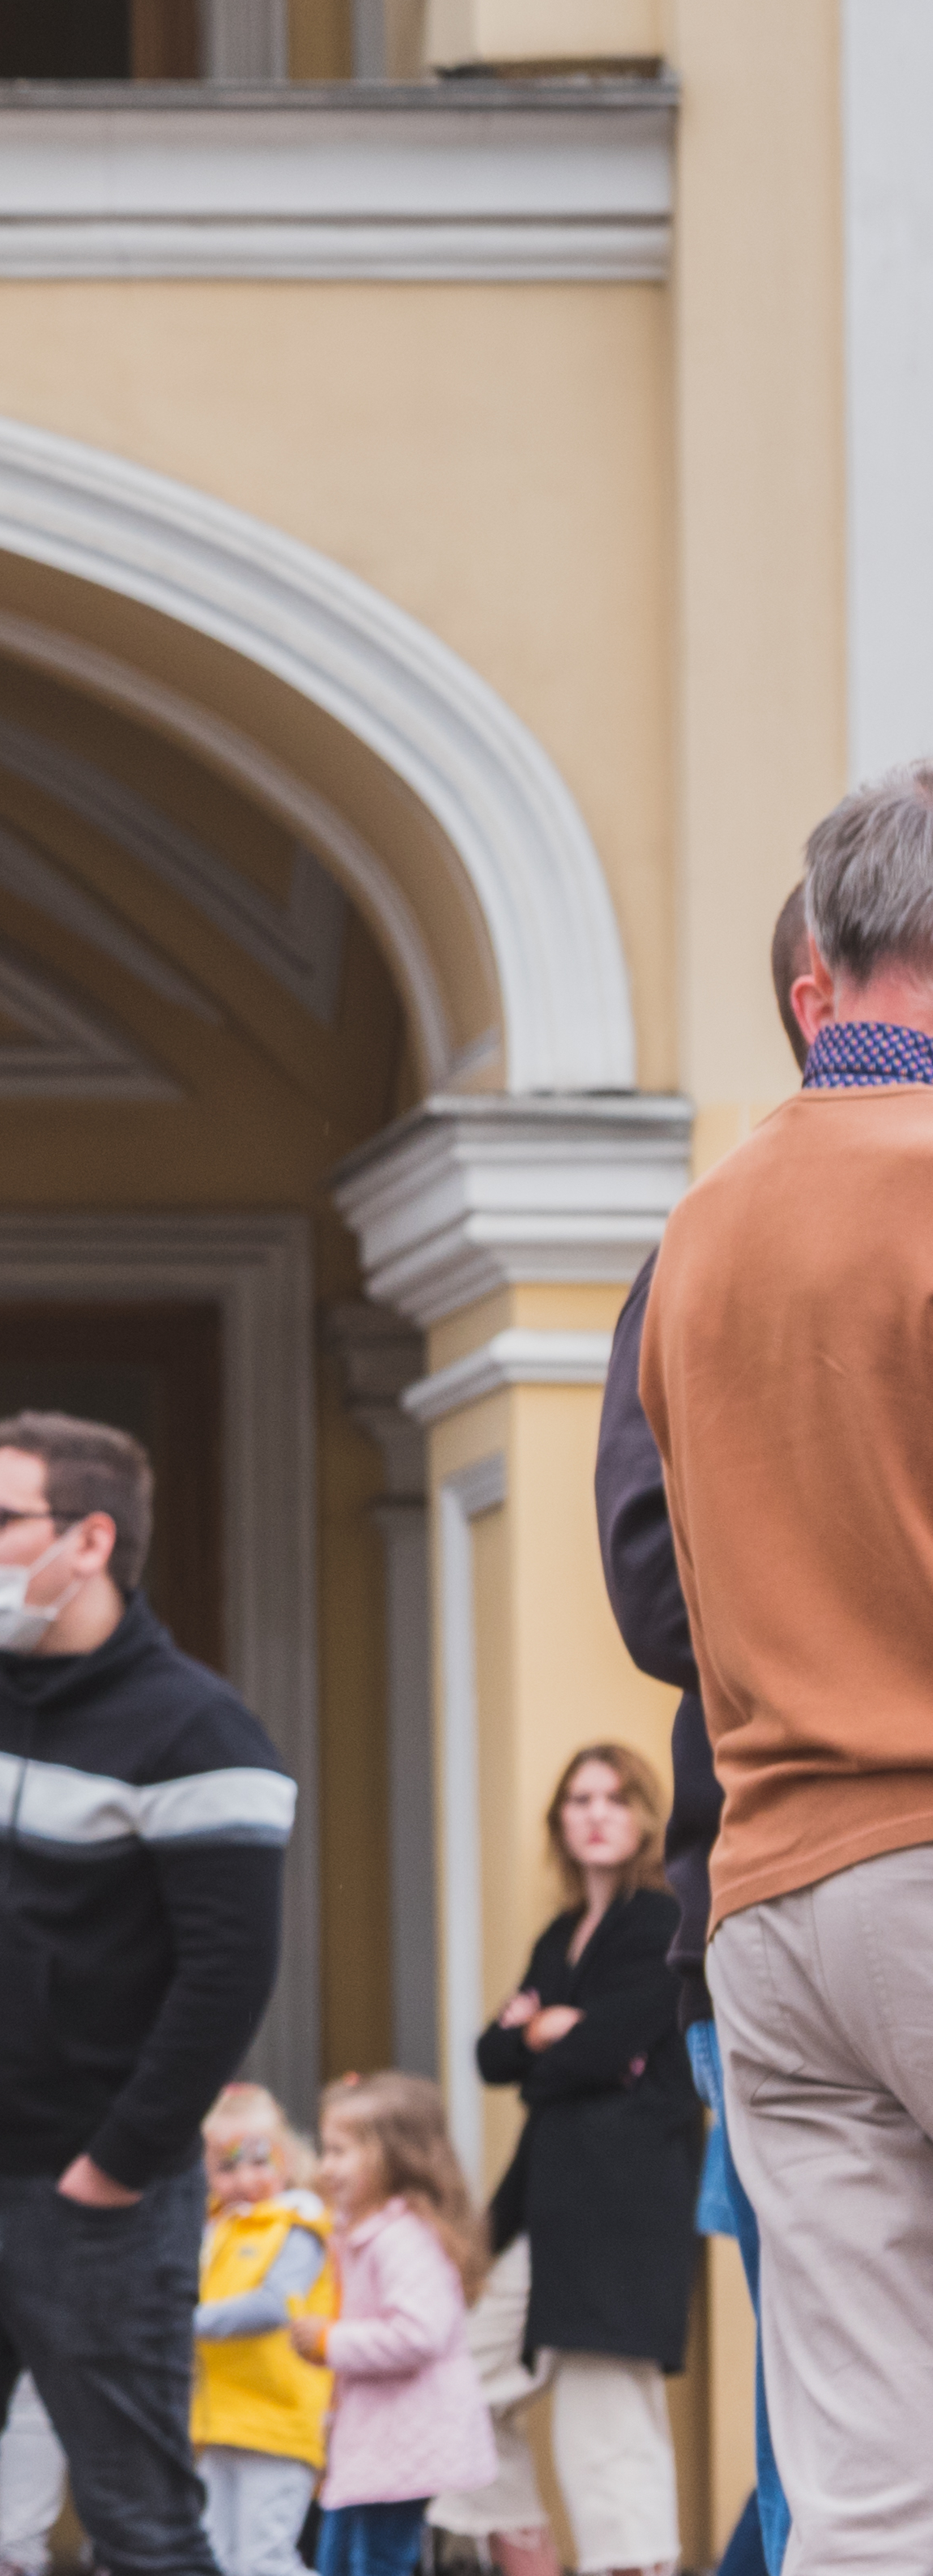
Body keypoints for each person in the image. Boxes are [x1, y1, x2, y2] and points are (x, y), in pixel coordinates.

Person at [641, 757, 933, 2568]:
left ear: (823, 952)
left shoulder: (702, 1224)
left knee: (858, 2479)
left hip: (770, 1901)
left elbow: (661, 1568)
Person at [0, 1412, 296, 2576]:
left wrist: (119, 2163)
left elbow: (228, 1976)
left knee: (140, 2529)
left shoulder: (201, 1729)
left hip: (95, 2201)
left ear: (89, 1538)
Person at [590, 883, 812, 2576]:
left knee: (835, 2412)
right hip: (770, 1895)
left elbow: (661, 1603)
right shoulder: (705, 1252)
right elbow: (657, 1603)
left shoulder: (700, 1245)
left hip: (760, 1896)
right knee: (833, 2413)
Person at [445, 1744, 694, 2576]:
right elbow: (490, 2055)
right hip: (545, 2204)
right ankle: (528, 2556)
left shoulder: (660, 1920)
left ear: (643, 1817)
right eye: (578, 1797)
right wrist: (549, 2035)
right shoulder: (560, 1934)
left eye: (614, 1797)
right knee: (457, 2386)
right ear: (558, 1819)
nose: (595, 1812)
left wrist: (549, 2033)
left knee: (605, 2418)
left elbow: (595, 2051)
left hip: (624, 2205)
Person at [296, 2074, 494, 2576]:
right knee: (338, 2558)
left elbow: (419, 2333)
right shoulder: (363, 2233)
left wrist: (328, 2340)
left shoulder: (403, 2238)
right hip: (373, 2443)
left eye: (339, 2152)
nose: (326, 2168)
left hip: (403, 2443)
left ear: (395, 2156)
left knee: (377, 2560)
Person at [185, 2081, 339, 2576]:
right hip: (217, 2419)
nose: (244, 2178)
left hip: (277, 2420)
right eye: (226, 2166)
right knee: (217, 2558)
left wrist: (183, 2324)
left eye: (259, 2160)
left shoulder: (299, 2221)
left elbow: (274, 2305)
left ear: (287, 2159)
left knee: (264, 2561)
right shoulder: (212, 2228)